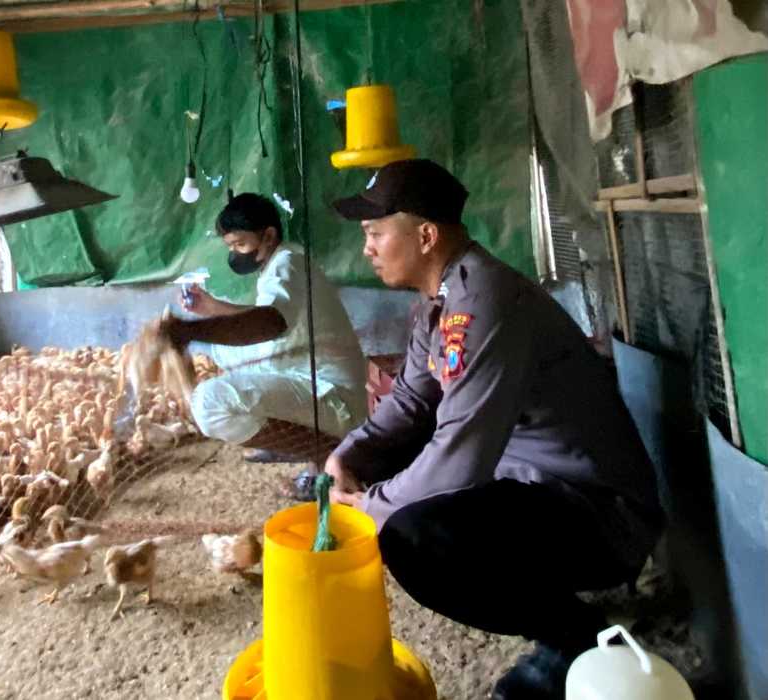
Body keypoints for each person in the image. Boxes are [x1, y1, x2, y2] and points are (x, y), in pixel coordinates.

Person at [326, 159, 663, 699]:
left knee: (413, 537)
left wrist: (373, 505)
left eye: (375, 233)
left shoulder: (484, 304)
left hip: (596, 512)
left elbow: (461, 456)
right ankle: (557, 612)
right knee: (384, 466)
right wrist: (350, 456)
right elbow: (412, 400)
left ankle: (579, 642)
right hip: (531, 481)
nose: (366, 248)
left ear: (426, 236)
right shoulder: (440, 300)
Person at [161, 193, 368, 497]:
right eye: (231, 247)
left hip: (333, 395)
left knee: (208, 403)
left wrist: (189, 331)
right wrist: (211, 307)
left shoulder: (288, 264)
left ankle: (327, 452)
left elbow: (270, 323)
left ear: (268, 236)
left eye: (240, 244)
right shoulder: (282, 262)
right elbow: (266, 315)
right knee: (225, 353)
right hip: (306, 377)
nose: (235, 253)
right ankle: (291, 439)